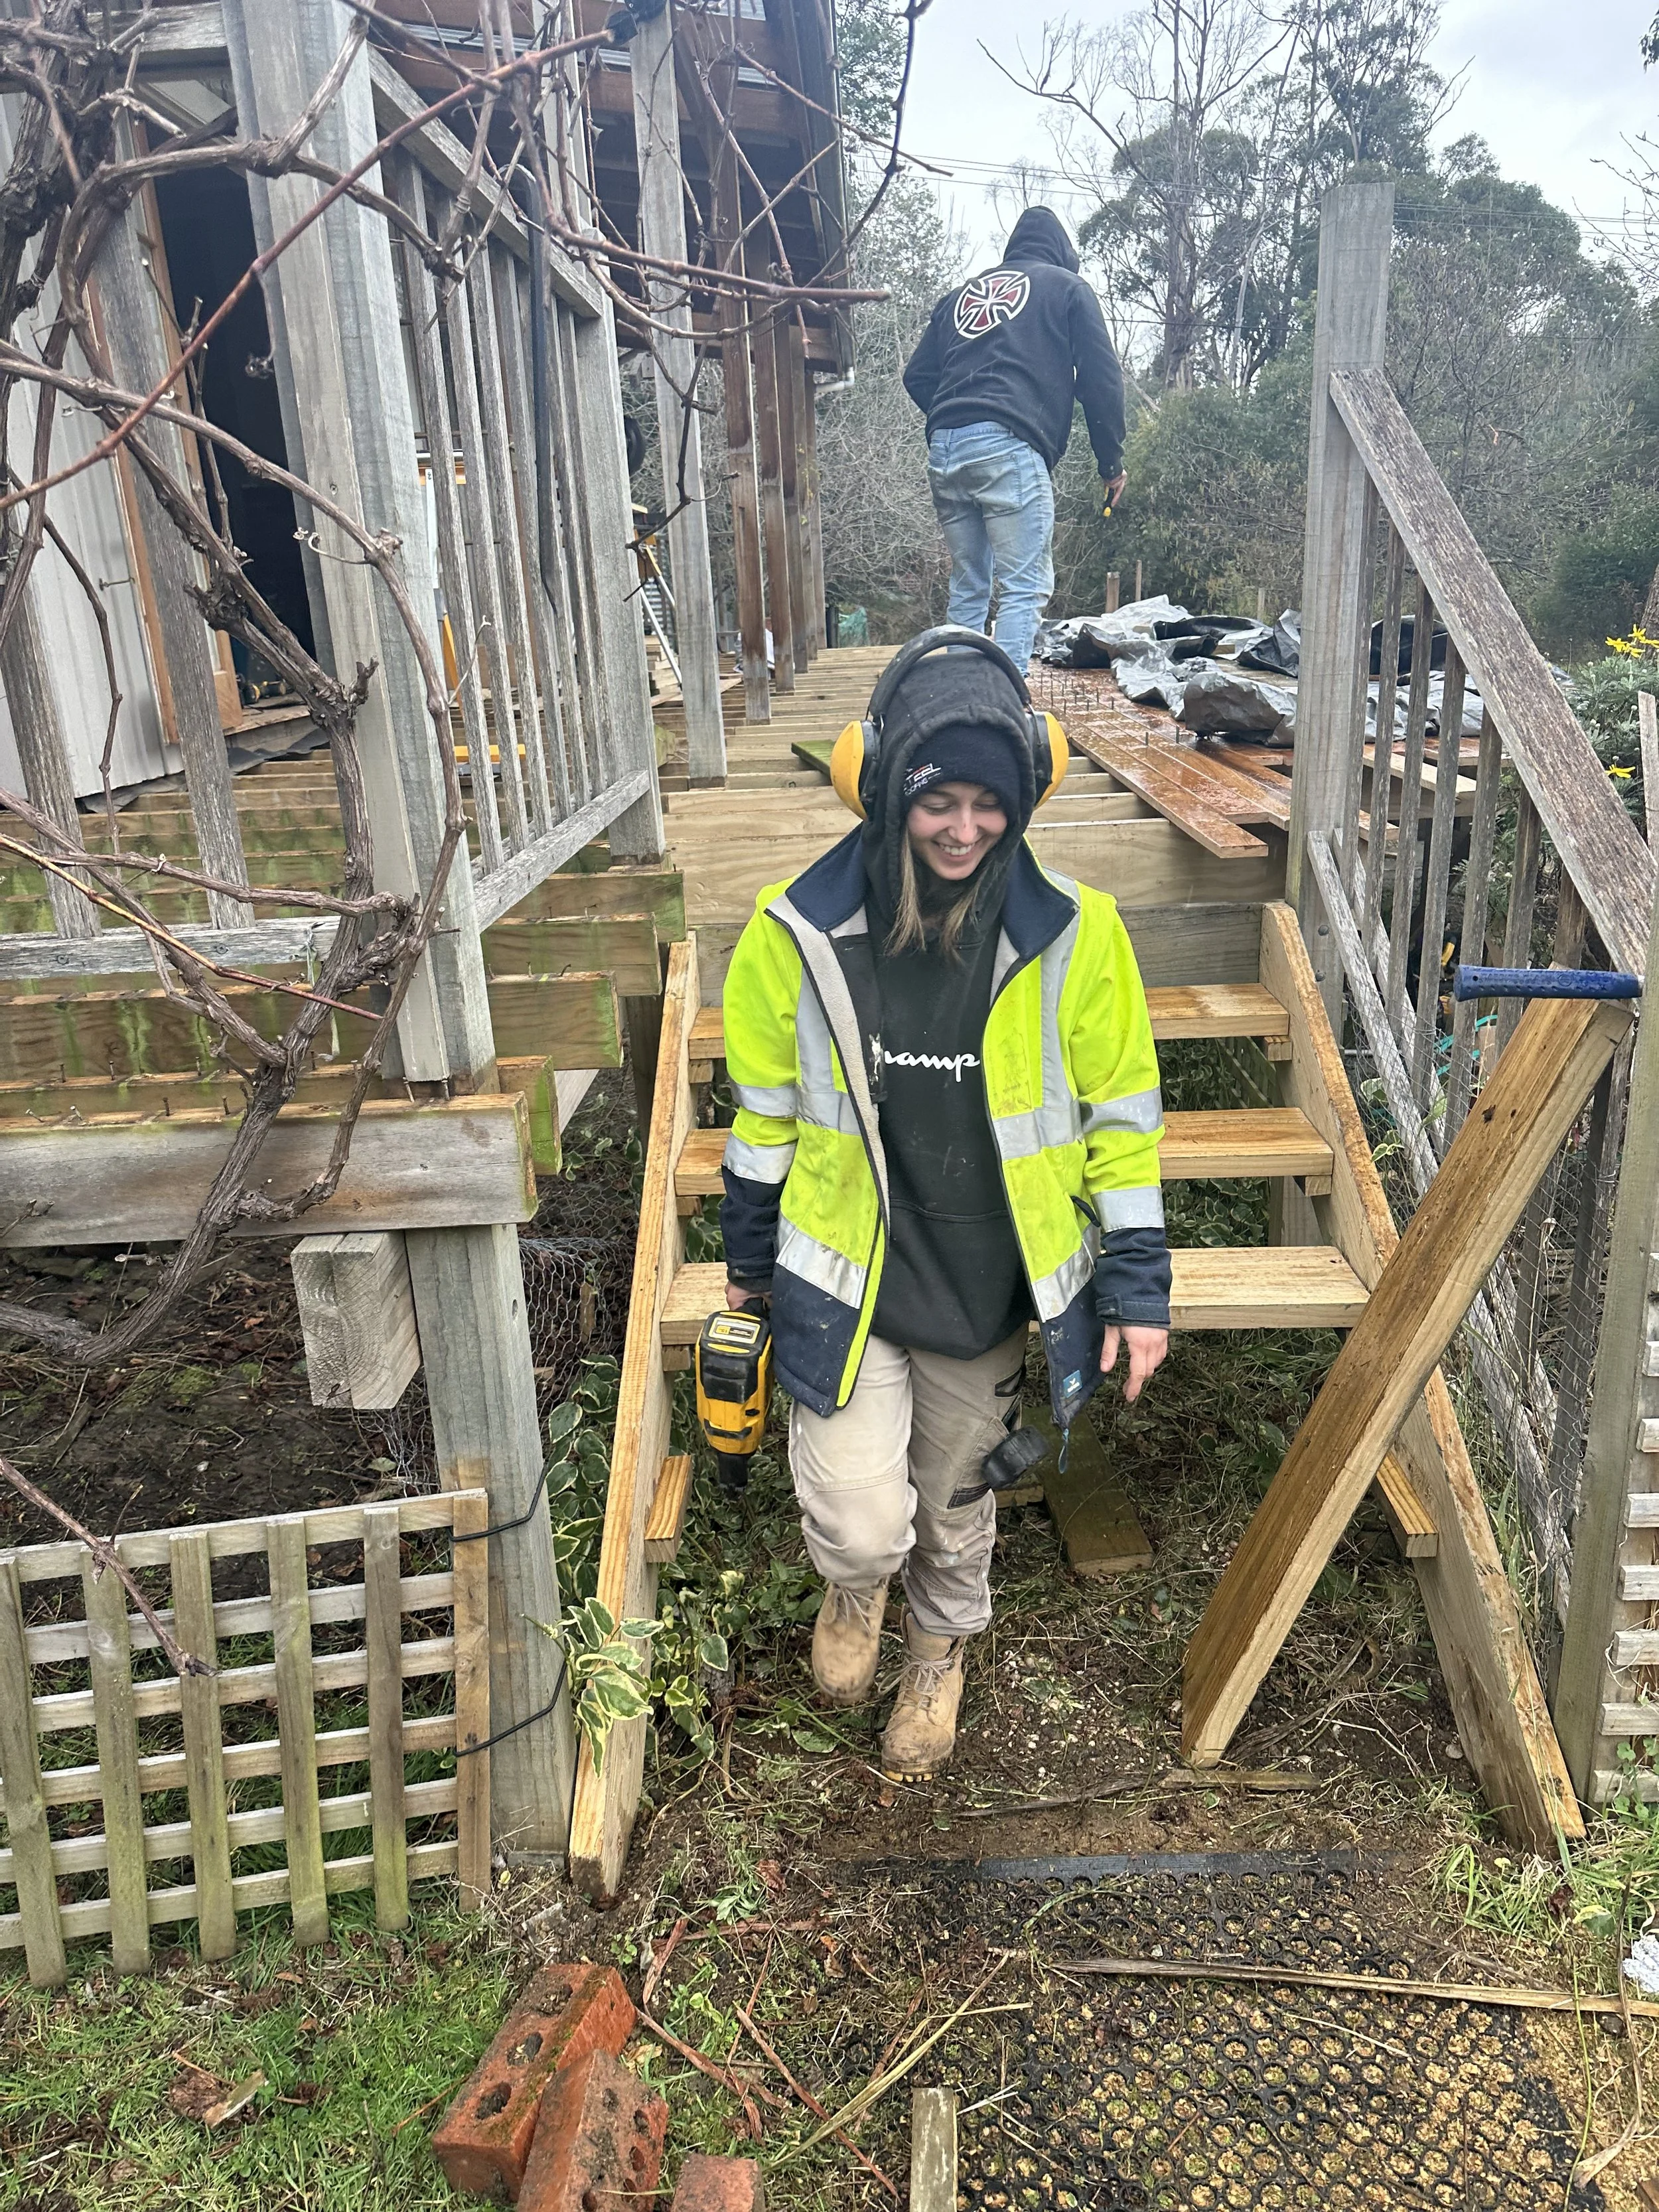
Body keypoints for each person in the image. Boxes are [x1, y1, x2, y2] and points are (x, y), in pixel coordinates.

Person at [718, 629, 1170, 1781]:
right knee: (862, 1515)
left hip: (983, 1292)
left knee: (957, 1500)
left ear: (1028, 794)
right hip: (850, 1281)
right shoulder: (796, 937)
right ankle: (858, 1590)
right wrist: (747, 1257)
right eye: (936, 803)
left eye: (989, 804)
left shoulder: (1075, 937)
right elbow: (765, 1119)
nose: (964, 829)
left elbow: (1121, 1128)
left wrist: (1137, 1288)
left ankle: (937, 1653)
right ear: (878, 789)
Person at [902, 208, 1126, 673]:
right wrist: (1111, 464)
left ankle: (960, 704)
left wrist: (960, 415)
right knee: (1024, 586)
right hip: (1008, 445)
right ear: (1063, 254)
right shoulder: (1067, 288)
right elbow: (1102, 379)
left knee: (969, 586)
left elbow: (918, 375)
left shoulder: (960, 296)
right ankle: (1001, 707)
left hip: (946, 450)